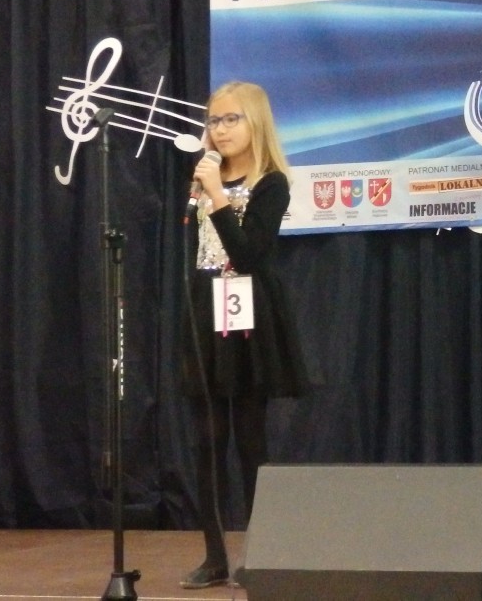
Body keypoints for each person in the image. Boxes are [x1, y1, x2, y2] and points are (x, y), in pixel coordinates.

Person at [178, 81, 308, 590]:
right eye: (214, 120)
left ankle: (262, 552)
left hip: (249, 314)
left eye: (232, 119)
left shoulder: (271, 183)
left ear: (255, 123)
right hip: (207, 310)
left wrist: (217, 196)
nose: (220, 129)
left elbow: (250, 254)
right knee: (208, 439)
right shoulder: (202, 177)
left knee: (251, 438)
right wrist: (208, 190)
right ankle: (214, 555)